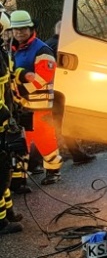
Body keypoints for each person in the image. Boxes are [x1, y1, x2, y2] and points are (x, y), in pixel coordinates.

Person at [9, 10, 63, 185]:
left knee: (46, 140)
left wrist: (20, 90)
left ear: (31, 28)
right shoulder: (12, 50)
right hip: (21, 106)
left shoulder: (42, 49)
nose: (19, 32)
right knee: (23, 142)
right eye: (16, 29)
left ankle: (53, 171)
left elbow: (43, 78)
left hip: (40, 107)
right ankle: (21, 178)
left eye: (23, 29)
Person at [44, 20, 96, 166]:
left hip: (50, 92)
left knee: (56, 125)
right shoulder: (60, 46)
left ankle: (76, 154)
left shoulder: (48, 44)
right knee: (62, 125)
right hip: (58, 92)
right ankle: (75, 154)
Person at [0, 9, 23, 233]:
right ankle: (1, 223)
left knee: (5, 169)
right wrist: (7, 115)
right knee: (0, 173)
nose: (7, 37)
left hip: (5, 121)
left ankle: (8, 212)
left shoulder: (1, 52)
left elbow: (7, 85)